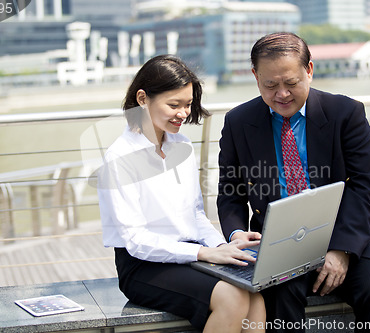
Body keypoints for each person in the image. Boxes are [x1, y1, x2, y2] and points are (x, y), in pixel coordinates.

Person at [217, 33, 370, 332]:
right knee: (278, 300)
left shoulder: (346, 113)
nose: (282, 95)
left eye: (291, 83)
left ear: (310, 70)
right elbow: (231, 191)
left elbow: (365, 186)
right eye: (270, 85)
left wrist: (341, 251)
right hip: (279, 243)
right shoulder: (239, 121)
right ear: (255, 76)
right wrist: (237, 233)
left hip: (349, 235)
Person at [97, 54, 266, 333]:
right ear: (142, 99)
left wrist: (221, 247)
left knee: (255, 295)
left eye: (187, 104)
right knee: (233, 297)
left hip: (190, 253)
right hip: (143, 266)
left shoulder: (181, 145)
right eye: (173, 105)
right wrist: (204, 253)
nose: (183, 113)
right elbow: (136, 241)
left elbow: (196, 214)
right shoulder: (120, 157)